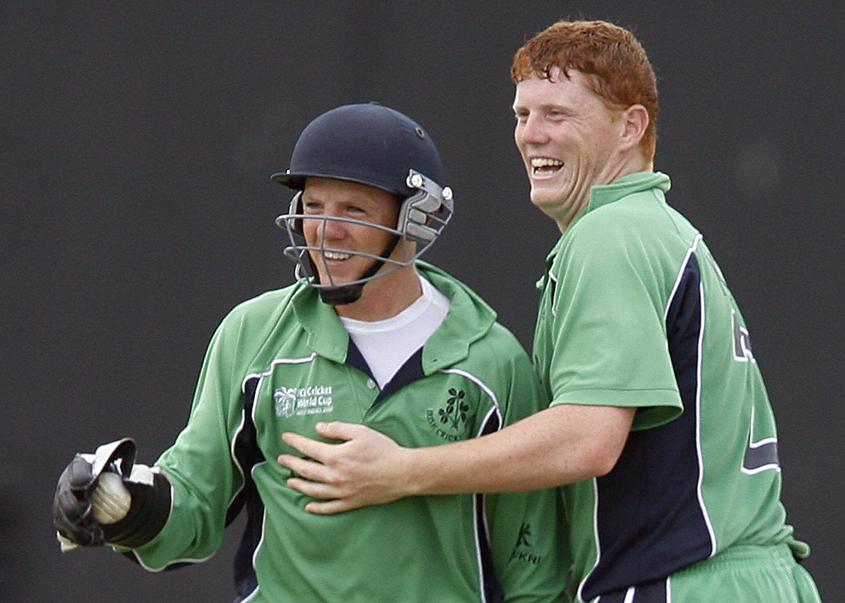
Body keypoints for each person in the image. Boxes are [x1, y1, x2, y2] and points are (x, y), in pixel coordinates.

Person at [276, 22, 822, 603]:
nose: (531, 136)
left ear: (630, 127)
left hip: (681, 585)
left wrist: (401, 470)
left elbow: (587, 439)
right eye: (521, 115)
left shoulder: (611, 236)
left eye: (557, 115)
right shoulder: (660, 231)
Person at [52, 102, 567, 602]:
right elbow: (196, 498)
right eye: (314, 207)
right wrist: (126, 506)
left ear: (417, 220)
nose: (326, 230)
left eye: (353, 210)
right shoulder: (253, 334)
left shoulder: (492, 361)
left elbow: (532, 564)